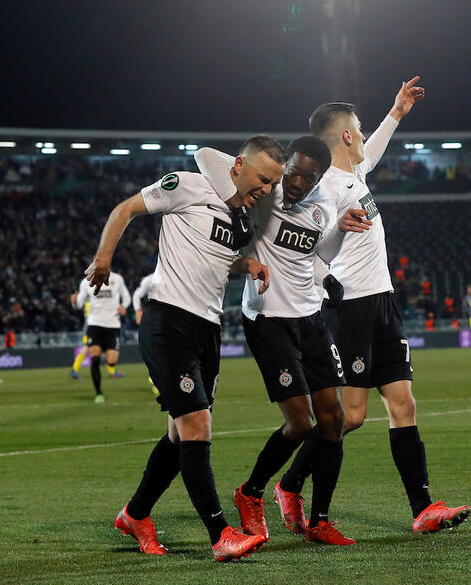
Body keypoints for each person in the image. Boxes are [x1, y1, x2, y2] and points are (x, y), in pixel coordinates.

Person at [250, 79, 467, 534]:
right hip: (352, 306)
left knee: (404, 405)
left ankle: (423, 508)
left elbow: (372, 153)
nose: (366, 136)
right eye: (361, 129)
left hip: (383, 299)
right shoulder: (325, 188)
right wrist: (323, 282)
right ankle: (289, 484)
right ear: (347, 135)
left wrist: (396, 113)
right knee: (350, 416)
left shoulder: (353, 174)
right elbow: (309, 250)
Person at [86, 134, 284, 561]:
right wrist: (104, 258)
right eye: (263, 179)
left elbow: (216, 257)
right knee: (196, 425)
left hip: (208, 329)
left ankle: (135, 515)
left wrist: (246, 263)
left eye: (273, 184)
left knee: (179, 436)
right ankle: (220, 535)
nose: (267, 189)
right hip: (168, 320)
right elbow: (125, 209)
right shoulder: (187, 185)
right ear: (238, 165)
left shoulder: (240, 218)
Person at [195, 136, 371, 545]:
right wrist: (249, 178)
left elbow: (314, 254)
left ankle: (320, 522)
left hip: (311, 319)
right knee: (300, 423)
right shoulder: (267, 192)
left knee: (333, 420)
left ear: (319, 179)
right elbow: (203, 155)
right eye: (292, 173)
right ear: (284, 167)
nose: (295, 183)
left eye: (307, 178)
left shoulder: (324, 206)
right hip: (269, 319)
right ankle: (251, 492)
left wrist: (329, 266)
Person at [74, 272, 131, 402]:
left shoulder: (117, 278)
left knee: (111, 361)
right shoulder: (86, 282)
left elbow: (126, 296)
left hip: (113, 325)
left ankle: (106, 351)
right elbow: (79, 304)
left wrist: (124, 306)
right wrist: (74, 302)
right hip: (94, 324)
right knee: (95, 358)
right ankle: (98, 393)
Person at [70, 299, 124, 380]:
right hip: (92, 330)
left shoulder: (91, 301)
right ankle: (74, 370)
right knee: (85, 350)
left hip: (95, 328)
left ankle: (112, 372)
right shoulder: (94, 301)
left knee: (106, 349)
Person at [132, 273, 159, 395]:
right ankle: (155, 378)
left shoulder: (179, 275)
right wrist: (138, 310)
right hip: (156, 317)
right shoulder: (150, 279)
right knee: (157, 349)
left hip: (175, 318)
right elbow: (137, 295)